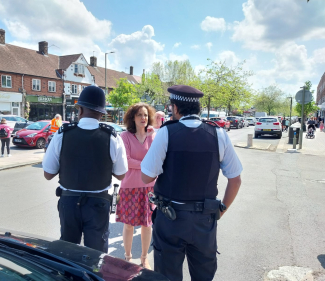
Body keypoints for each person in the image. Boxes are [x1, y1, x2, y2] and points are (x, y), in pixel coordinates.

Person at [141, 85, 243, 281]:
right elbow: (235, 179)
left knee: (167, 277)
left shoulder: (166, 133)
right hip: (204, 220)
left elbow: (146, 177)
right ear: (198, 108)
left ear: (176, 108)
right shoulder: (218, 134)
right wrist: (222, 209)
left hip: (170, 219)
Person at [42, 86, 128, 253]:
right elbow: (121, 174)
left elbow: (48, 174)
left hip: (69, 203)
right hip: (98, 204)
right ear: (102, 113)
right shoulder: (112, 136)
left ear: (80, 110)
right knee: (96, 255)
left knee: (68, 252)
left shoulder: (62, 133)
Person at [116, 103, 156, 269]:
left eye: (145, 115)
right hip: (129, 187)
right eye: (139, 115)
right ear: (132, 117)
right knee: (129, 225)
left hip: (149, 187)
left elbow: (158, 158)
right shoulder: (124, 136)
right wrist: (147, 164)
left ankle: (144, 257)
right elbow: (126, 161)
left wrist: (143, 164)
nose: (143, 118)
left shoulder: (153, 136)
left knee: (147, 225)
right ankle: (127, 256)